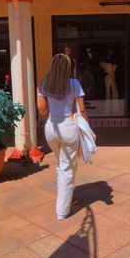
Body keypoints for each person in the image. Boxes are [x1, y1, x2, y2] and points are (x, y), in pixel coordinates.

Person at [37, 53, 87, 221]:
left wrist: (40, 91)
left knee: (61, 164)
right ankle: (62, 210)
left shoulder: (45, 83)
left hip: (51, 128)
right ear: (68, 68)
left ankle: (62, 196)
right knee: (67, 168)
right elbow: (82, 110)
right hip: (68, 128)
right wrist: (87, 129)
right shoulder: (74, 84)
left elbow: (42, 111)